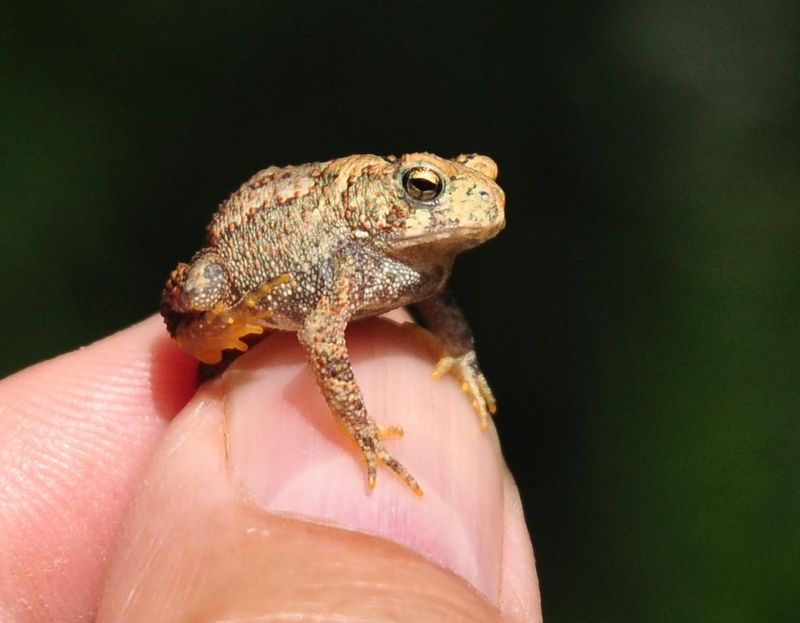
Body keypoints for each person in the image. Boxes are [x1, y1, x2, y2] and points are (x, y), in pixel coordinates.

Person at [0, 312, 540, 622]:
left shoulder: (418, 265)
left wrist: (461, 352)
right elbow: (324, 337)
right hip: (246, 253)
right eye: (424, 188)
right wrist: (360, 427)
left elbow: (435, 297)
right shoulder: (350, 249)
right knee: (198, 298)